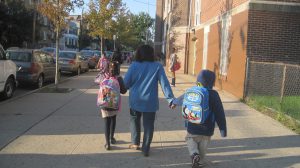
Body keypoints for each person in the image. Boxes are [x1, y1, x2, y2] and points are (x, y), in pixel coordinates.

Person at [124, 45, 175, 157]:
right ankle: (146, 148)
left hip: (135, 100)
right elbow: (164, 83)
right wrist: (170, 99)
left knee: (134, 121)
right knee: (148, 125)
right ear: (151, 54)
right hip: (150, 102)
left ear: (139, 54)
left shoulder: (134, 66)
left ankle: (135, 143)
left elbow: (126, 83)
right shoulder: (157, 66)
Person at [171, 70, 227, 168]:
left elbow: (182, 98)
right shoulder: (214, 95)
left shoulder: (193, 91)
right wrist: (223, 130)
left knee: (190, 139)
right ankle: (199, 161)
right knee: (203, 149)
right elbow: (220, 113)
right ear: (212, 83)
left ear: (198, 82)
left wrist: (174, 102)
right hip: (208, 129)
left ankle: (194, 154)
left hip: (193, 126)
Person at [99, 61, 127, 150]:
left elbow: (100, 86)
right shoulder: (119, 78)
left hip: (104, 102)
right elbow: (123, 91)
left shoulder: (104, 76)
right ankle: (112, 138)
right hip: (114, 103)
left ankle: (107, 143)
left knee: (106, 122)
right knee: (113, 119)